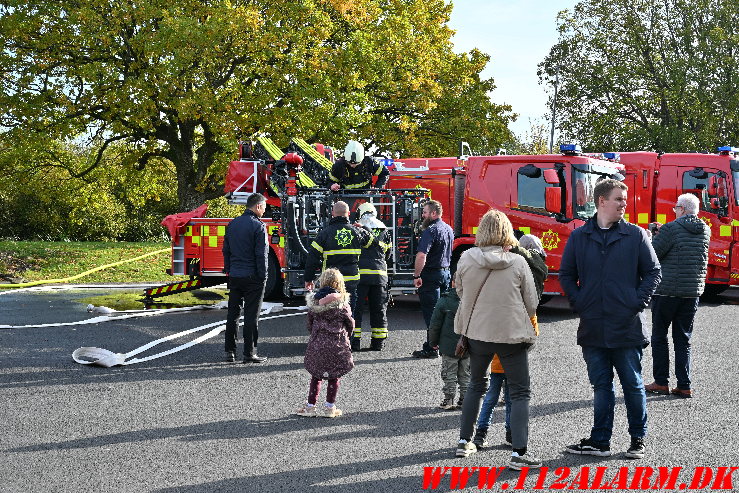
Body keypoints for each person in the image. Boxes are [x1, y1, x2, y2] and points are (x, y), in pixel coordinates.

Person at [560, 178, 661, 460]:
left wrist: (636, 302)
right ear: (601, 201)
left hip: (626, 324)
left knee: (633, 383)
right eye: (618, 199)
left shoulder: (635, 235)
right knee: (601, 385)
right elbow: (566, 275)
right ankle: (600, 441)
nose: (624, 204)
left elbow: (654, 271)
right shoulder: (580, 236)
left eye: (624, 199)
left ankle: (637, 440)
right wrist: (579, 302)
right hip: (592, 325)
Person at [453, 209, 540, 471]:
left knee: (475, 386)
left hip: (477, 332)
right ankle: (519, 453)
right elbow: (532, 303)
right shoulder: (518, 262)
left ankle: (464, 441)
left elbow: (460, 291)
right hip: (511, 335)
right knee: (520, 391)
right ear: (507, 232)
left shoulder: (466, 258)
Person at [645, 194, 710, 399]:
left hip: (667, 291)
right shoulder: (705, 230)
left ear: (681, 209)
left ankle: (661, 382)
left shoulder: (671, 229)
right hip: (692, 292)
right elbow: (683, 242)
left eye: (675, 208)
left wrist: (655, 234)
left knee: (660, 336)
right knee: (683, 339)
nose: (674, 211)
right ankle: (684, 384)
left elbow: (654, 254)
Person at [295, 268, 355, 418]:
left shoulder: (315, 304)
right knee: (334, 377)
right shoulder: (343, 305)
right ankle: (330, 408)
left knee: (316, 376)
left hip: (318, 345)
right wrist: (347, 337)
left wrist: (315, 334)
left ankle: (310, 407)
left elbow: (309, 324)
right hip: (337, 345)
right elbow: (350, 324)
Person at [222, 192, 269, 364]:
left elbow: (226, 250)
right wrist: (263, 276)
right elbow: (261, 254)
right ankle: (249, 353)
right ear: (257, 206)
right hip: (252, 277)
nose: (265, 210)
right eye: (264, 207)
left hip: (235, 275)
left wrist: (229, 270)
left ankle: (229, 352)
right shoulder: (259, 226)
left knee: (232, 314)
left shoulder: (232, 224)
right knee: (251, 315)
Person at [304, 201, 374, 315]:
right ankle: (348, 333)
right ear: (348, 213)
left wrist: (309, 279)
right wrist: (365, 228)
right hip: (351, 280)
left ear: (332, 213)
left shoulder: (324, 234)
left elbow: (312, 258)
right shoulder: (357, 231)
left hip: (330, 281)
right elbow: (373, 243)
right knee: (349, 315)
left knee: (329, 315)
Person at [412, 200, 455, 359]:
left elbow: (422, 255)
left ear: (434, 213)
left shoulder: (430, 230)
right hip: (445, 274)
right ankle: (443, 345)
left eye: (425, 212)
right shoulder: (449, 229)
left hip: (430, 275)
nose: (422, 215)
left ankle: (431, 348)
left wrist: (417, 275)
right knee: (445, 311)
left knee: (432, 313)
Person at [353, 202, 392, 352]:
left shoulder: (357, 228)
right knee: (379, 310)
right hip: (380, 276)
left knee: (357, 309)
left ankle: (354, 343)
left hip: (360, 276)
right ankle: (378, 344)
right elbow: (388, 254)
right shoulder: (384, 229)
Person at [427, 280, 469, 410]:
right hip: (468, 345)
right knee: (466, 374)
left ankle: (449, 399)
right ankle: (465, 399)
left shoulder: (445, 301)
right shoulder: (473, 300)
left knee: (449, 373)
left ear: (453, 283)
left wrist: (433, 342)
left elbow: (435, 325)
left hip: (448, 345)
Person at [472, 355, 511, 449]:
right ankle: (511, 433)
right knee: (510, 402)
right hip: (512, 365)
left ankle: (481, 433)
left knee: (490, 401)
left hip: (494, 365)